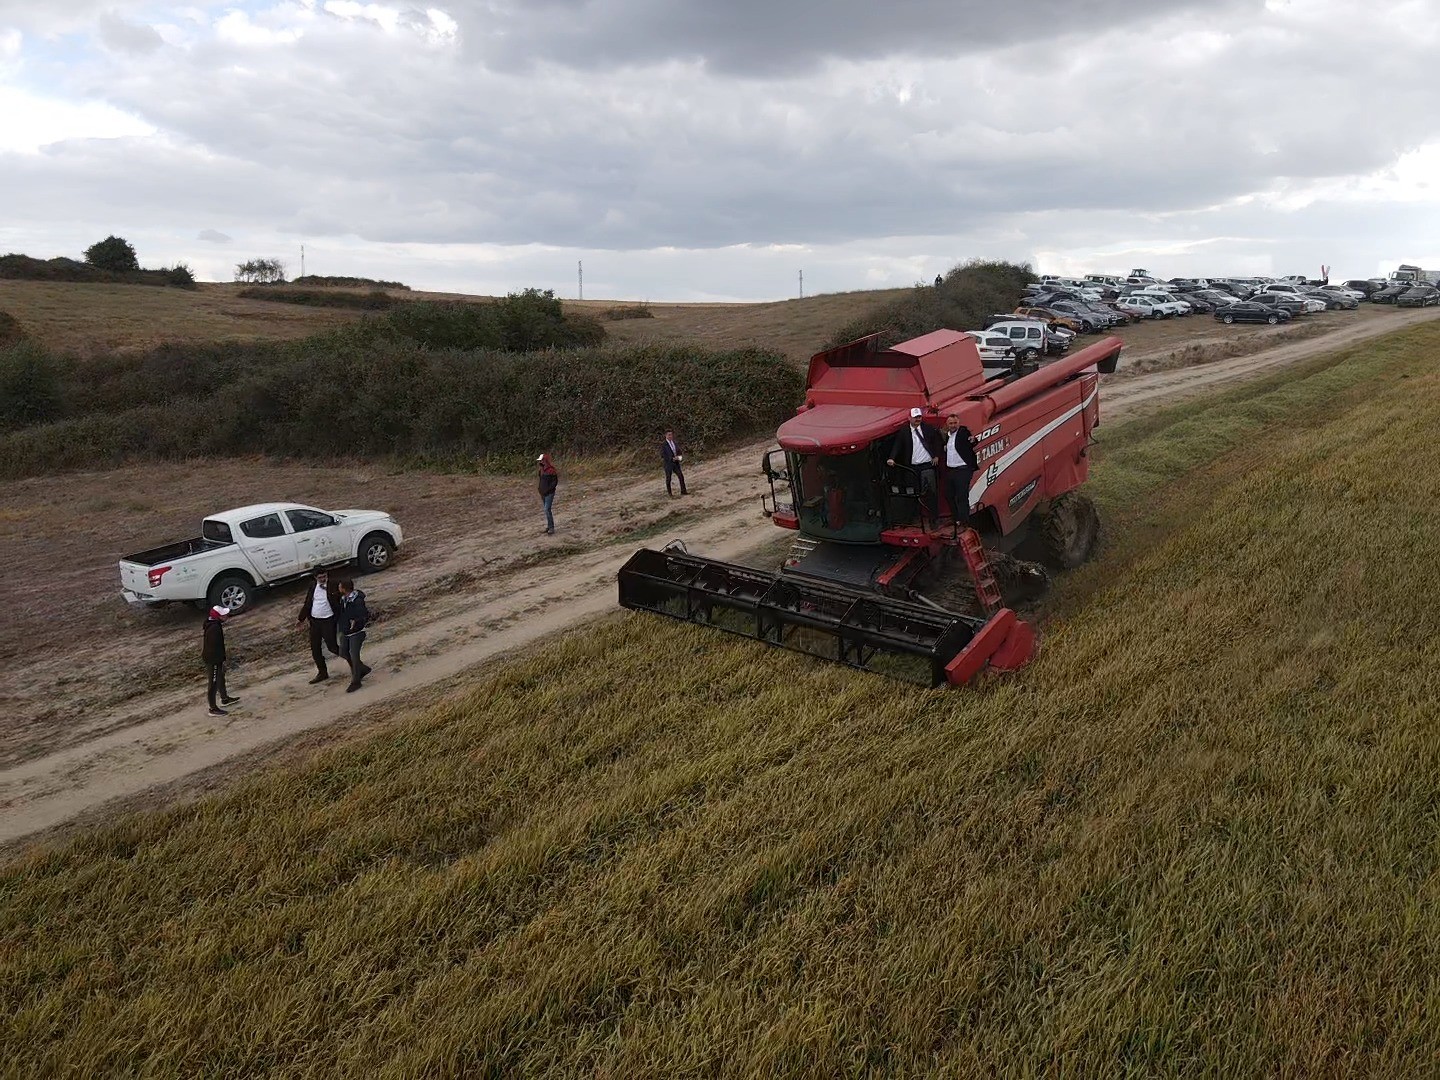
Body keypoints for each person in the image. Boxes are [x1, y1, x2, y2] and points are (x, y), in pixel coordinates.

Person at [886, 406, 944, 525]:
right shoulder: (904, 431)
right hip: (912, 467)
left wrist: (937, 456)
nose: (917, 419)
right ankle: (912, 518)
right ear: (909, 418)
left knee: (931, 493)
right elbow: (898, 446)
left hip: (927, 466)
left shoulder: (928, 429)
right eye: (915, 417)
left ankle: (934, 518)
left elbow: (937, 442)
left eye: (919, 417)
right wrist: (891, 458)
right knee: (912, 493)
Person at [296, 568, 343, 683]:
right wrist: (301, 618)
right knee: (315, 649)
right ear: (315, 578)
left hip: (328, 620)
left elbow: (343, 598)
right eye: (320, 577)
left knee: (332, 647)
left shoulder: (333, 584)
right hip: (315, 621)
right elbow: (308, 603)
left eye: (324, 576)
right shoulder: (312, 586)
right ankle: (322, 672)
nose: (322, 579)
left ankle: (353, 661)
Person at [942, 413, 980, 535]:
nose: (953, 425)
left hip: (963, 469)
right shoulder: (948, 436)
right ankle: (956, 518)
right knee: (948, 494)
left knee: (962, 496)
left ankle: (964, 522)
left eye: (955, 423)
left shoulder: (963, 432)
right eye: (950, 423)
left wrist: (973, 440)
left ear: (958, 423)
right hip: (952, 470)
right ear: (947, 425)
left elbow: (971, 440)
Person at [202, 605, 240, 716]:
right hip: (213, 659)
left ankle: (224, 698)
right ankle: (212, 709)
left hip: (216, 658)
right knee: (213, 683)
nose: (226, 616)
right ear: (218, 617)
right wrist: (220, 660)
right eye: (224, 615)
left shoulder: (213, 624)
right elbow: (214, 647)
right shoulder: (214, 628)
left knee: (220, 677)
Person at [336, 577, 372, 693]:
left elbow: (363, 614)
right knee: (343, 652)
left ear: (344, 588)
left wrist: (355, 622)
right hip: (346, 630)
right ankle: (362, 669)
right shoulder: (343, 599)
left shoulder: (357, 600)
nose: (338, 587)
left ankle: (356, 681)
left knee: (354, 655)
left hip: (356, 631)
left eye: (340, 586)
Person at [661, 429, 688, 497]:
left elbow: (679, 451)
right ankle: (670, 493)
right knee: (668, 478)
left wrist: (679, 457)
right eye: (669, 435)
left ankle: (683, 491)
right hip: (668, 464)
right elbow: (663, 455)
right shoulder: (664, 445)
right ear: (666, 436)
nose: (670, 436)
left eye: (671, 435)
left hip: (676, 463)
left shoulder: (674, 443)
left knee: (681, 476)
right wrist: (671, 458)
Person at [537, 453, 559, 534]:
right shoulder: (541, 470)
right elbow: (541, 480)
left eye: (542, 460)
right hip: (543, 493)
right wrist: (540, 489)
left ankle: (551, 528)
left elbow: (555, 482)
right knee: (547, 510)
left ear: (545, 460)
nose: (540, 462)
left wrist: (548, 490)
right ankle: (549, 526)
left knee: (547, 509)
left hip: (549, 493)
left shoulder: (551, 470)